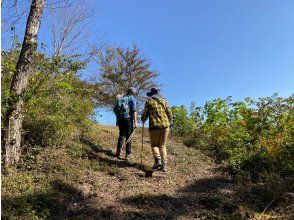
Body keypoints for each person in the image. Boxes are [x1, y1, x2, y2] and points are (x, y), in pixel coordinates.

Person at [141, 87, 172, 172]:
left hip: (154, 126)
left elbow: (145, 114)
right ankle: (164, 165)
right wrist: (169, 120)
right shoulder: (163, 101)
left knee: (154, 145)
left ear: (151, 94)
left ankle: (157, 160)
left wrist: (142, 119)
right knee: (162, 145)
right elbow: (169, 113)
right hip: (165, 126)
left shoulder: (149, 102)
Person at [113, 88, 138, 160]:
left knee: (121, 134)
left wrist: (117, 120)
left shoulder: (122, 98)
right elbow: (134, 110)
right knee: (129, 136)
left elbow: (116, 109)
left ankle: (118, 152)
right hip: (128, 119)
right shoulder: (132, 98)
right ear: (133, 92)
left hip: (120, 119)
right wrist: (135, 122)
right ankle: (128, 154)